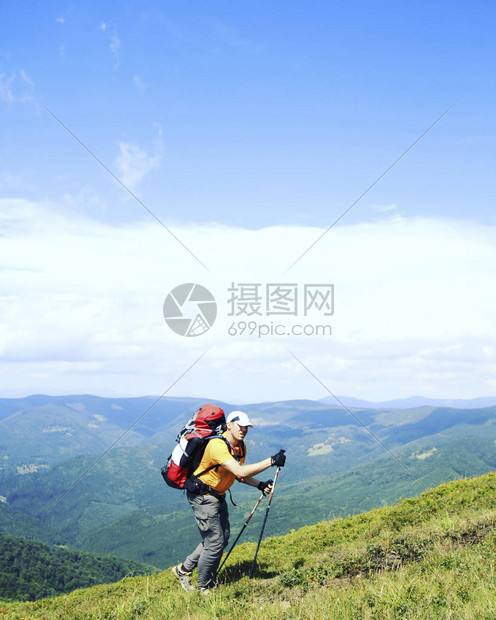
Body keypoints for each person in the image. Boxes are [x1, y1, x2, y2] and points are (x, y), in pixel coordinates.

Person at [172, 410, 286, 594]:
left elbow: (238, 473)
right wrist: (271, 461)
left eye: (246, 427)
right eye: (240, 426)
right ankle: (204, 587)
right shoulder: (217, 445)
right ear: (229, 425)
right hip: (203, 497)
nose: (244, 430)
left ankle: (183, 570)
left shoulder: (240, 447)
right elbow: (240, 472)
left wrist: (259, 485)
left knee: (220, 539)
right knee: (215, 542)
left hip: (217, 495)